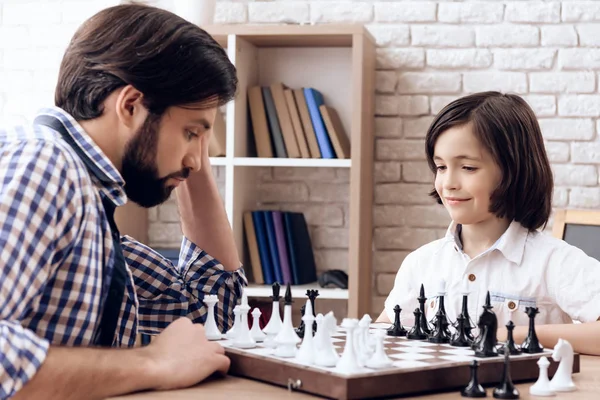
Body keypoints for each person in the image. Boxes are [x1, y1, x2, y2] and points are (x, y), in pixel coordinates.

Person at [0, 4, 247, 400]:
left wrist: (191, 133)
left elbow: (211, 311)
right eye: (190, 134)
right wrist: (153, 363)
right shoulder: (46, 165)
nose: (198, 162)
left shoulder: (91, 207)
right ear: (130, 105)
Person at [377, 92, 600, 356]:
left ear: (513, 170)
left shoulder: (555, 262)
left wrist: (511, 334)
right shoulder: (421, 263)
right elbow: (383, 334)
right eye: (440, 167)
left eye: (468, 168)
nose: (448, 183)